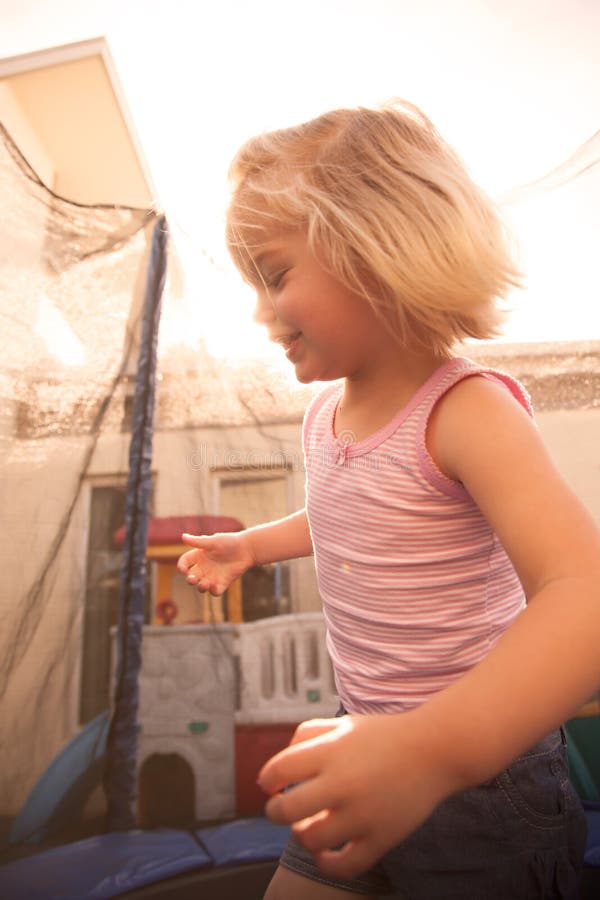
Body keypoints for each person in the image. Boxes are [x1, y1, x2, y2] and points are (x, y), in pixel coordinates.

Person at [177, 100, 599, 899]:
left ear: (375, 250)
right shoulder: (325, 415)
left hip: (480, 784)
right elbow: (350, 515)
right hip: (364, 744)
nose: (262, 316)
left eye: (274, 277)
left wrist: (433, 753)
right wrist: (253, 545)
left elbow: (582, 591)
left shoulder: (469, 411)